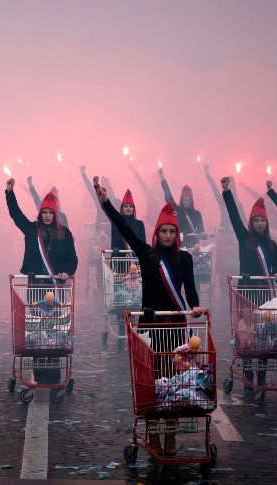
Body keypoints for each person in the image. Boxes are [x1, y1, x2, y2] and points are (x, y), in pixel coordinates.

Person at [96, 175, 202, 457]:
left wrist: (195, 306)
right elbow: (123, 226)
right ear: (156, 232)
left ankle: (170, 437)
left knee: (173, 382)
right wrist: (106, 203)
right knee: (153, 381)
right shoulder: (146, 253)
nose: (167, 236)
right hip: (151, 324)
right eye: (163, 231)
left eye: (171, 231)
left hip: (176, 326)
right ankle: (154, 433)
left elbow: (190, 290)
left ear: (176, 234)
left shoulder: (185, 259)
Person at [5, 177, 78, 385]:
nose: (47, 216)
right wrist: (9, 192)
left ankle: (53, 367)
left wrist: (67, 272)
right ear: (40, 213)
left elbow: (73, 260)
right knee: (37, 326)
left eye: (50, 213)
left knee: (54, 327)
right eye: (44, 212)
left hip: (57, 289)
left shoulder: (65, 233)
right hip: (36, 286)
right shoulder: (31, 229)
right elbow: (15, 215)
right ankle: (38, 368)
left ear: (55, 214)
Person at [221, 176, 277, 393]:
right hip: (247, 294)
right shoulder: (244, 238)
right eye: (256, 220)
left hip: (266, 295)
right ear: (251, 223)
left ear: (266, 224)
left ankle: (262, 375)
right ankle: (248, 371)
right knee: (247, 335)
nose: (259, 224)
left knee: (264, 336)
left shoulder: (272, 245)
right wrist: (227, 192)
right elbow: (233, 216)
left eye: (262, 221)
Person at [158, 167, 204, 246]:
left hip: (193, 245)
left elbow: (201, 230)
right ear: (182, 201)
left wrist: (203, 233)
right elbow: (169, 197)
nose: (186, 202)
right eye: (185, 200)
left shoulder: (197, 214)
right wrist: (162, 179)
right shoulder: (178, 211)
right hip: (180, 244)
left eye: (188, 200)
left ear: (191, 201)